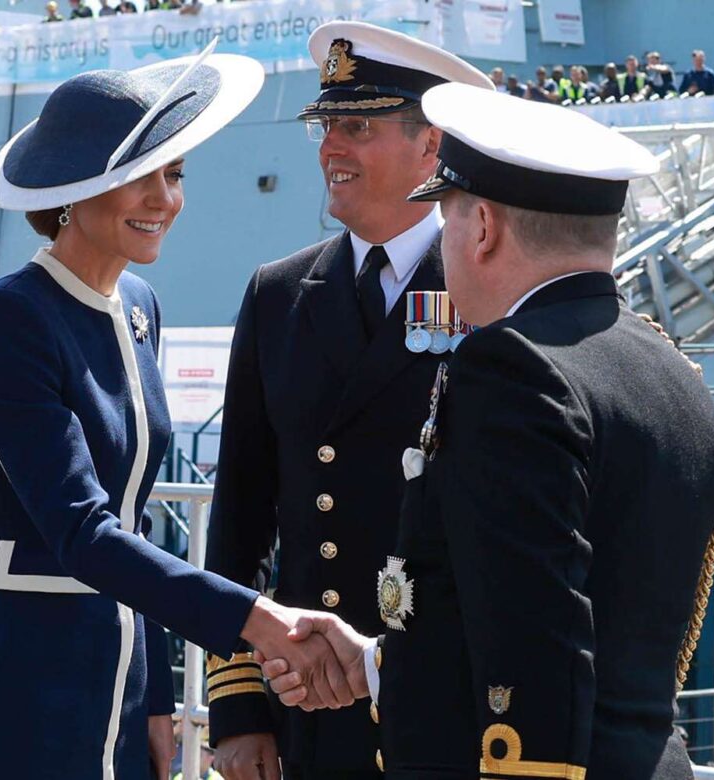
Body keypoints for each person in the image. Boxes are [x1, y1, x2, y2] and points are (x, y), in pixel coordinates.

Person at [262, 82, 714, 779]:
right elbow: (529, 609)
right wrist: (375, 664)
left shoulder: (510, 370)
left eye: (447, 219)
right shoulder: (671, 370)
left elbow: (536, 641)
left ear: (482, 227)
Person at [0, 47, 355, 780]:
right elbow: (81, 528)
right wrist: (260, 622)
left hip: (126, 676)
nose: (164, 199)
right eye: (139, 177)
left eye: (174, 174)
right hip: (28, 675)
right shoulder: (5, 320)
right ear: (73, 190)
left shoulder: (139, 308)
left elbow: (133, 522)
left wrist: (159, 695)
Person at [203, 21, 492, 780]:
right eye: (325, 126)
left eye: (357, 126)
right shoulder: (277, 294)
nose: (331, 147)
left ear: (431, 144)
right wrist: (237, 710)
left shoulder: (488, 290)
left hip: (436, 701)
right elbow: (239, 513)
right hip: (308, 708)